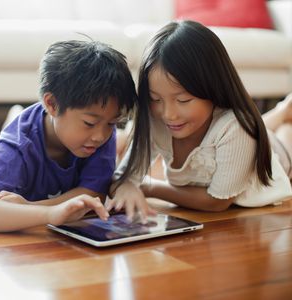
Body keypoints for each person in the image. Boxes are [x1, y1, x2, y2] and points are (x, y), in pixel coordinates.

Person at [109, 20, 292, 220]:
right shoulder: (154, 120)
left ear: (213, 88)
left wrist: (148, 188)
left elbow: (217, 202)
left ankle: (284, 116)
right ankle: (281, 113)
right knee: (251, 130)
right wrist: (125, 186)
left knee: (283, 137)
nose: (168, 114)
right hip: (236, 136)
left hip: (278, 157)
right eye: (155, 99)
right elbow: (123, 177)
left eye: (183, 100)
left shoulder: (237, 128)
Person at [0, 40, 139, 232]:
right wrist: (50, 214)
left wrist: (31, 208)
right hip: (25, 129)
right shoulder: (19, 143)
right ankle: (14, 115)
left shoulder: (99, 131)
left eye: (112, 123)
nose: (101, 136)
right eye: (89, 123)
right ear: (52, 104)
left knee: (119, 140)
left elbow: (93, 195)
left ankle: (124, 132)